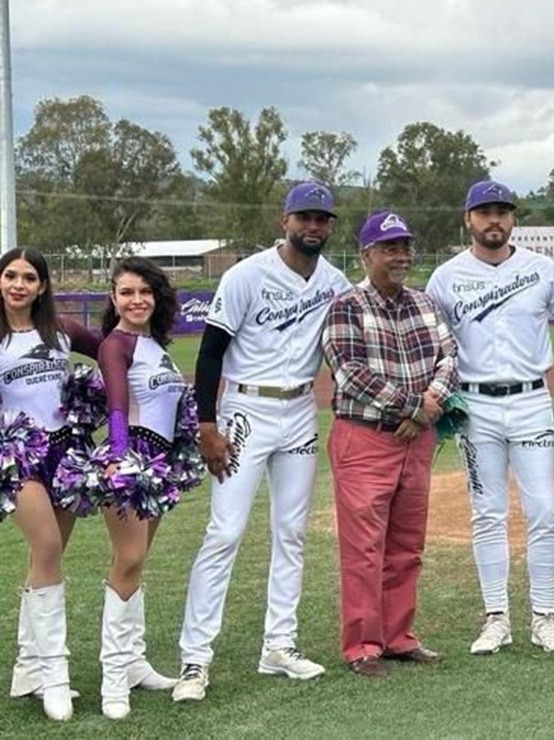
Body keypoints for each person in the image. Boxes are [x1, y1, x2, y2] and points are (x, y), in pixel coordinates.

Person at [173, 182, 352, 701]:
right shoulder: (246, 274)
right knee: (225, 531)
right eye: (305, 218)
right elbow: (210, 354)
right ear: (285, 221)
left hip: (299, 410)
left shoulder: (335, 281)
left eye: (322, 219)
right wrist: (207, 424)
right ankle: (195, 659)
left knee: (291, 531)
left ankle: (280, 645)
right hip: (246, 409)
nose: (313, 227)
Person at [425, 180, 554, 655]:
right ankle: (497, 618)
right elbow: (434, 346)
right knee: (487, 514)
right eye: (484, 212)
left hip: (532, 400)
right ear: (468, 219)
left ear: (513, 219)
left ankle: (543, 617)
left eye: (503, 212)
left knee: (546, 511)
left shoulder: (542, 270)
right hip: (475, 409)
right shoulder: (446, 277)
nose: (495, 220)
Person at [322, 211, 458, 677]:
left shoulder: (425, 303)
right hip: (365, 438)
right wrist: (411, 407)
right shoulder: (346, 306)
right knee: (363, 548)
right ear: (366, 255)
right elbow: (350, 372)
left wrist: (428, 405)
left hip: (415, 439)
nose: (401, 256)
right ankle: (362, 645)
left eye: (405, 247)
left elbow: (449, 358)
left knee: (406, 544)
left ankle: (398, 637)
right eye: (389, 248)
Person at [85, 257, 198, 718]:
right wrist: (119, 458)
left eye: (144, 291)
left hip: (159, 463)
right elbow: (116, 404)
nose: (137, 300)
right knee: (128, 559)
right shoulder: (117, 345)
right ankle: (114, 676)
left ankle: (133, 662)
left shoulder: (156, 345)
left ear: (156, 296)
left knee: (135, 561)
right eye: (126, 292)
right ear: (113, 298)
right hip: (130, 460)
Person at [0, 248, 101, 721]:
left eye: (28, 277)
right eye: (10, 275)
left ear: (42, 286)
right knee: (46, 547)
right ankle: (54, 675)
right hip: (17, 453)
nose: (18, 284)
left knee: (49, 551)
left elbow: (113, 351)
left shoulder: (60, 332)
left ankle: (28, 665)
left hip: (66, 449)